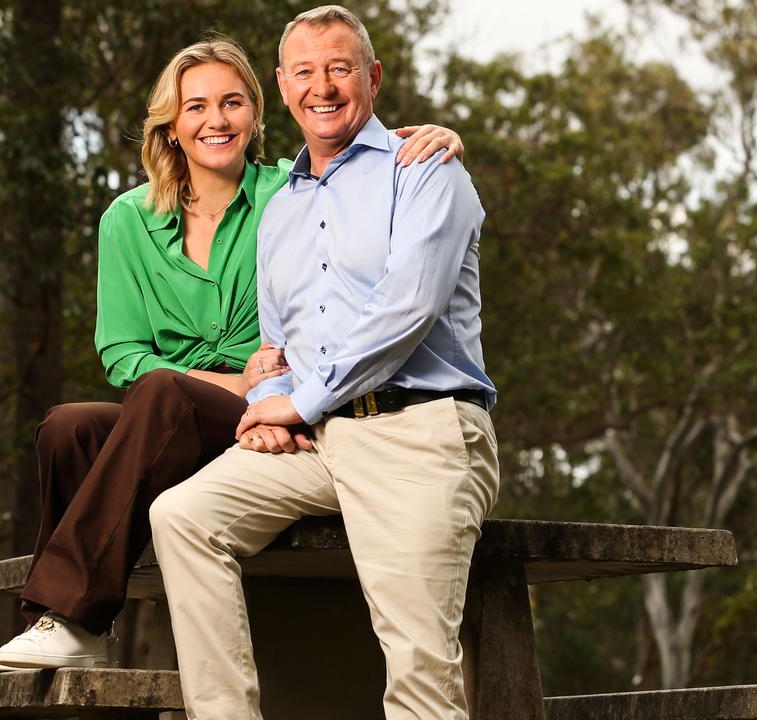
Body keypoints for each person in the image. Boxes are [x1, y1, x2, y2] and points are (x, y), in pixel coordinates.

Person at [0, 36, 464, 672]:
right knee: (69, 426)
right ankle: (75, 631)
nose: (216, 120)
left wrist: (441, 136)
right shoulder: (126, 220)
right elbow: (123, 354)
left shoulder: (291, 194)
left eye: (233, 103)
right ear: (172, 127)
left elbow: (350, 185)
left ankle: (70, 612)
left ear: (256, 114)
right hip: (182, 417)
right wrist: (226, 379)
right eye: (197, 107)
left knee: (161, 393)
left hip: (272, 418)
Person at [148, 6, 499, 719]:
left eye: (340, 68)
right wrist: (272, 405)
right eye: (305, 71)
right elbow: (275, 344)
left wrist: (300, 400)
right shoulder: (279, 210)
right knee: (183, 517)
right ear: (282, 88)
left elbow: (408, 311)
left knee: (420, 674)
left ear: (371, 76)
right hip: (317, 442)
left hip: (418, 432)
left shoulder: (424, 169)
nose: (324, 86)